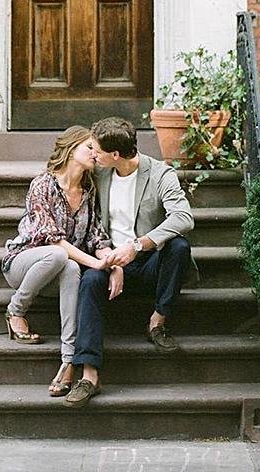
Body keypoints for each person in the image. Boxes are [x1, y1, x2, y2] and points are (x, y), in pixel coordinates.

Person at [63, 116, 194, 408]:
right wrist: (113, 261)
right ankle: (89, 375)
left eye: (97, 150)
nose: (93, 154)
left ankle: (157, 322)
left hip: (149, 263)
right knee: (90, 280)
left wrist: (138, 245)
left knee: (179, 247)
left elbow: (183, 218)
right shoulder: (99, 174)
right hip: (109, 261)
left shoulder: (160, 174)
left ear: (116, 155)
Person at [1, 125, 122, 397]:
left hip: (59, 271)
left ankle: (68, 360)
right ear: (70, 150)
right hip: (24, 264)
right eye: (89, 147)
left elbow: (96, 237)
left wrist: (113, 263)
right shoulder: (42, 185)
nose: (95, 153)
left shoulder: (89, 191)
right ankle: (16, 310)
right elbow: (53, 240)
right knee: (60, 255)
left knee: (70, 267)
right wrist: (95, 264)